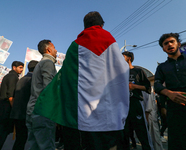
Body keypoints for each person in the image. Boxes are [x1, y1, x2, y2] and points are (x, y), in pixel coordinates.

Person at [33, 11, 130, 150]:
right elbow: (122, 72)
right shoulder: (109, 40)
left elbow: (65, 79)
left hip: (78, 117)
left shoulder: (75, 46)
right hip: (108, 116)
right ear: (102, 24)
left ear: (84, 27)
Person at [154, 33, 186, 150]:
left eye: (172, 41)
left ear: (178, 44)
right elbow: (156, 84)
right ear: (163, 48)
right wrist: (169, 93)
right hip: (174, 110)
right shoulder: (162, 67)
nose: (169, 44)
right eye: (165, 43)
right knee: (177, 142)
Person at [26, 40, 57, 150]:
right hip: (42, 112)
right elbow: (48, 89)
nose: (56, 50)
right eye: (54, 47)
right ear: (48, 49)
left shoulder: (40, 64)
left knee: (34, 145)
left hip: (32, 110)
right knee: (46, 146)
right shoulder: (48, 63)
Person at [122, 51, 154, 150]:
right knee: (124, 134)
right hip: (121, 106)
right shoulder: (118, 73)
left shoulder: (138, 71)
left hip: (135, 104)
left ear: (129, 58)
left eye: (122, 56)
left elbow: (148, 87)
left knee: (142, 131)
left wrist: (134, 86)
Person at [0, 61, 24, 150]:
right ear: (14, 67)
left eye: (22, 67)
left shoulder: (8, 76)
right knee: (1, 132)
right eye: (20, 67)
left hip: (2, 106)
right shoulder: (13, 77)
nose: (22, 69)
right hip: (6, 107)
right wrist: (14, 109)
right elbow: (10, 96)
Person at [10, 60, 38, 150]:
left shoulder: (22, 79)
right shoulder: (33, 79)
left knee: (20, 139)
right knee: (22, 139)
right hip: (24, 114)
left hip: (17, 113)